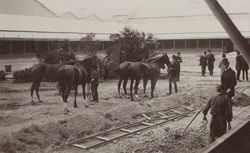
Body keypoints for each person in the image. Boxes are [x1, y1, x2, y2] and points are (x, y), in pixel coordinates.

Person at [221, 59, 236, 127]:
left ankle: (229, 117)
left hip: (229, 91)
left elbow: (234, 82)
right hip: (224, 90)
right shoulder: (224, 72)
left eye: (225, 65)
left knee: (229, 104)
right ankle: (225, 115)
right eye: (223, 65)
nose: (224, 66)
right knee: (224, 103)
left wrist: (229, 89)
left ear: (227, 64)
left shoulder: (232, 72)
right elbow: (222, 82)